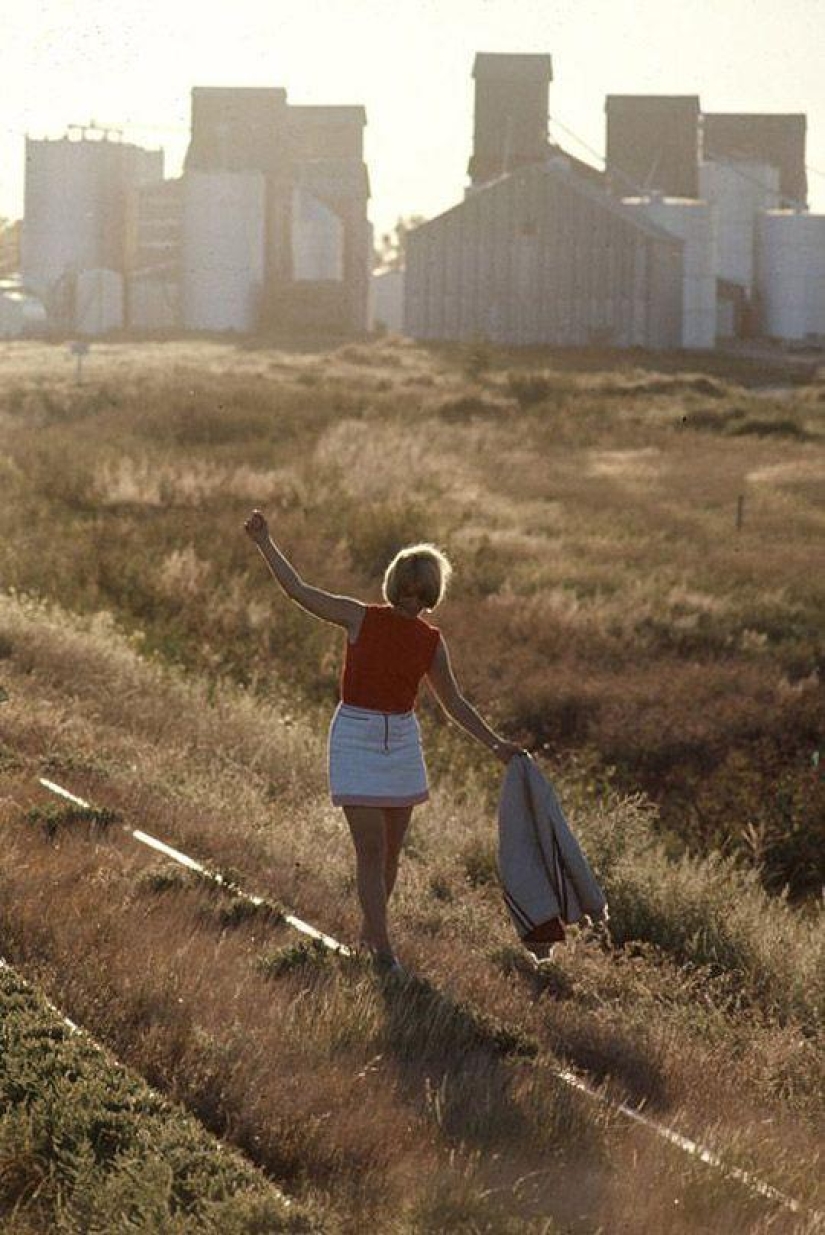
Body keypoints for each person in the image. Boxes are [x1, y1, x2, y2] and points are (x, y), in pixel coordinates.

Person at [243, 508, 526, 970]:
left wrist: (496, 744)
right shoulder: (360, 618)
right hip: (356, 735)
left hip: (402, 743)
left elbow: (454, 703)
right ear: (396, 585)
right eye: (408, 591)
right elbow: (299, 591)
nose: (413, 601)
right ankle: (383, 950)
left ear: (432, 594)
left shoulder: (431, 642)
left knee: (391, 854)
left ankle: (368, 937)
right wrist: (264, 543)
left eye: (423, 594)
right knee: (370, 850)